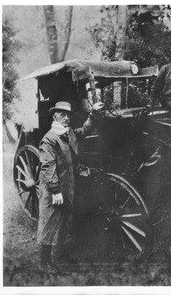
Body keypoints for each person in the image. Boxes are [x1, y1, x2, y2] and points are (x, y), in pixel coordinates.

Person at [37, 101, 104, 272]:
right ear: (55, 116)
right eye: (63, 114)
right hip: (54, 188)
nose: (67, 118)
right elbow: (47, 166)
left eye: (68, 115)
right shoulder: (49, 139)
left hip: (68, 184)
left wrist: (93, 114)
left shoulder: (69, 133)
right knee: (50, 220)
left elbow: (85, 130)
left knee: (66, 219)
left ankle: (60, 254)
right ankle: (45, 261)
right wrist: (55, 190)